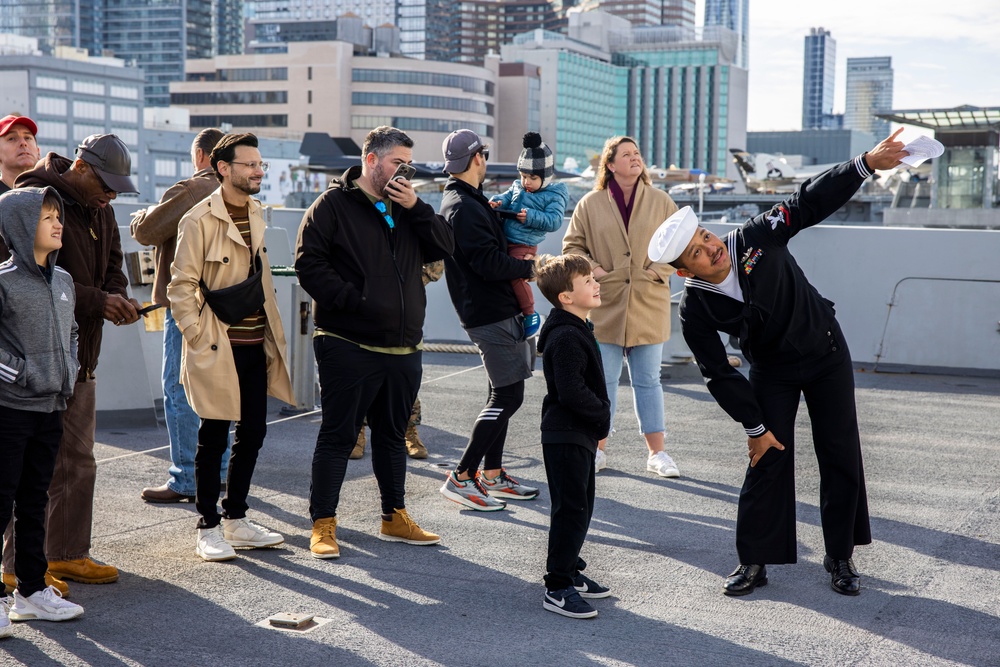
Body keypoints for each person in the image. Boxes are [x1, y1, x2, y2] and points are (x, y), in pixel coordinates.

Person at [648, 130, 908, 597]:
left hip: (826, 352)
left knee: (839, 450)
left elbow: (807, 201)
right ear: (684, 271)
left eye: (705, 236)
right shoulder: (695, 308)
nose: (710, 248)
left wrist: (865, 164)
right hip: (772, 370)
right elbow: (718, 373)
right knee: (767, 455)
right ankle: (754, 560)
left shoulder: (756, 236)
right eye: (696, 253)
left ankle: (840, 555)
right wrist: (753, 426)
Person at [294, 126, 453, 559]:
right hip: (348, 341)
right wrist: (355, 302)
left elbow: (446, 245)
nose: (404, 170)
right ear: (371, 160)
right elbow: (309, 264)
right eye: (396, 162)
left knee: (390, 436)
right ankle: (323, 525)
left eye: (409, 164)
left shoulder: (407, 207)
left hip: (402, 346)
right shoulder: (332, 205)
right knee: (338, 436)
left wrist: (418, 208)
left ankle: (394, 516)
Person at [1, 133, 142, 590]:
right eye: (107, 184)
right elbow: (28, 276)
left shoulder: (101, 207)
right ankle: (16, 569)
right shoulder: (33, 198)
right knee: (27, 473)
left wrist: (115, 295)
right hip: (34, 360)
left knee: (77, 459)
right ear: (81, 167)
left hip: (79, 356)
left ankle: (65, 554)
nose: (112, 195)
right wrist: (101, 300)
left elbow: (115, 263)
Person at [168, 133, 295, 562]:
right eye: (250, 165)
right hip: (218, 343)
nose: (259, 171)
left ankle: (236, 519)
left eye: (261, 165)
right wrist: (198, 337)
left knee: (254, 431)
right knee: (214, 435)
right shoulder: (199, 219)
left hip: (256, 340)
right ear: (224, 168)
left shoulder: (257, 211)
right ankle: (207, 526)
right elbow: (180, 286)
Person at [563, 136, 680, 477]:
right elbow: (573, 245)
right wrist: (597, 271)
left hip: (648, 299)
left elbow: (680, 243)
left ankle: (657, 453)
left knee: (648, 380)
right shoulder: (591, 202)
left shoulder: (661, 201)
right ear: (610, 165)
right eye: (626, 154)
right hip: (604, 302)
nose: (635, 158)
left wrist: (656, 272)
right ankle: (598, 449)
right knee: (604, 381)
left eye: (637, 153)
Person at [438, 129, 539, 512]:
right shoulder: (462, 206)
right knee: (508, 395)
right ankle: (462, 476)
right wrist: (529, 268)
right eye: (483, 154)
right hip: (490, 312)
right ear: (477, 158)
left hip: (495, 309)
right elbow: (487, 262)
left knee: (503, 392)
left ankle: (493, 475)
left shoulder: (467, 201)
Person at [0, 187, 85, 632]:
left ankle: (31, 591)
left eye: (58, 215)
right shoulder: (3, 281)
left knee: (34, 501)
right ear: (19, 225)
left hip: (51, 407)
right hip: (9, 409)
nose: (58, 223)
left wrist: (66, 370)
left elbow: (71, 334)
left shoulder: (65, 281)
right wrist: (23, 374)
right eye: (46, 216)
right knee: (0, 499)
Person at [132, 128, 228, 503]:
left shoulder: (193, 188)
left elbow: (146, 230)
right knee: (219, 391)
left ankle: (186, 477)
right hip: (226, 304)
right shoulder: (235, 191)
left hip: (187, 303)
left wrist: (141, 212)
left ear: (203, 156)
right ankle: (217, 473)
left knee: (179, 388)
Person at [534, 254, 611, 619]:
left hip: (576, 432)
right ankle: (558, 585)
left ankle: (571, 569)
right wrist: (601, 413)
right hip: (566, 433)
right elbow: (570, 391)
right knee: (572, 509)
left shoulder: (576, 326)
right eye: (587, 281)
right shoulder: (565, 335)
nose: (596, 284)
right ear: (566, 296)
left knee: (580, 507)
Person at [352, 259, 445, 461]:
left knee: (404, 383)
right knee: (361, 378)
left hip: (403, 315)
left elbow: (437, 263)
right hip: (366, 309)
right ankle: (356, 432)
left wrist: (404, 285)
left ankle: (409, 431)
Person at [488, 132, 569, 337]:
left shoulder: (554, 194)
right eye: (523, 176)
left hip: (524, 244)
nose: (526, 182)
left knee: (516, 275)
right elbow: (507, 198)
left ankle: (530, 313)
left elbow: (554, 221)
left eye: (533, 178)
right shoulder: (517, 186)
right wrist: (497, 201)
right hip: (506, 240)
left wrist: (531, 216)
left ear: (545, 177)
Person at [0, 115, 41, 193]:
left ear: (38, 151)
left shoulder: (53, 195)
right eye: (11, 138)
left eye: (27, 138)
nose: (23, 143)